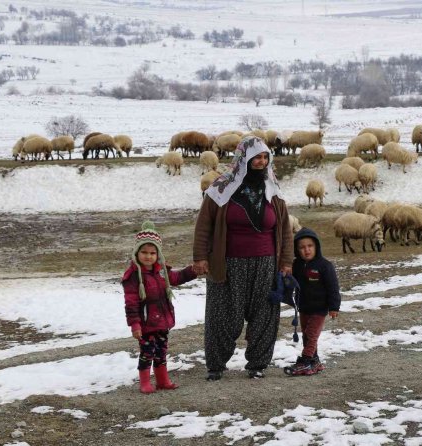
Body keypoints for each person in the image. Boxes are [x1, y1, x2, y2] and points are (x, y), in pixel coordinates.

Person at [193, 136, 293, 380]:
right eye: (255, 157)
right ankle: (216, 365)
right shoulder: (220, 189)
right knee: (222, 313)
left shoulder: (273, 190)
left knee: (264, 314)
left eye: (264, 157)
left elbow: (284, 229)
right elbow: (204, 225)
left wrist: (286, 262)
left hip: (266, 262)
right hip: (228, 263)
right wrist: (200, 257)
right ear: (242, 159)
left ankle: (258, 364)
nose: (260, 162)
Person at [121, 221, 197, 394]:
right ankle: (145, 382)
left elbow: (176, 278)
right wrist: (135, 324)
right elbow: (131, 303)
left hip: (162, 320)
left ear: (158, 254)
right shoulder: (133, 276)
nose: (148, 256)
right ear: (137, 252)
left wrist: (193, 271)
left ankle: (162, 380)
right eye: (144, 252)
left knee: (161, 351)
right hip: (146, 324)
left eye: (152, 253)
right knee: (147, 352)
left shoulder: (162, 271)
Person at [284, 227, 341, 376]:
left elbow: (333, 288)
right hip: (304, 307)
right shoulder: (296, 265)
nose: (306, 250)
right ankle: (315, 362)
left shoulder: (324, 266)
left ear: (316, 246)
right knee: (306, 335)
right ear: (297, 250)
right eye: (302, 247)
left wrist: (334, 307)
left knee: (311, 335)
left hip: (319, 308)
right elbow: (289, 279)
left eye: (310, 246)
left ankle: (305, 361)